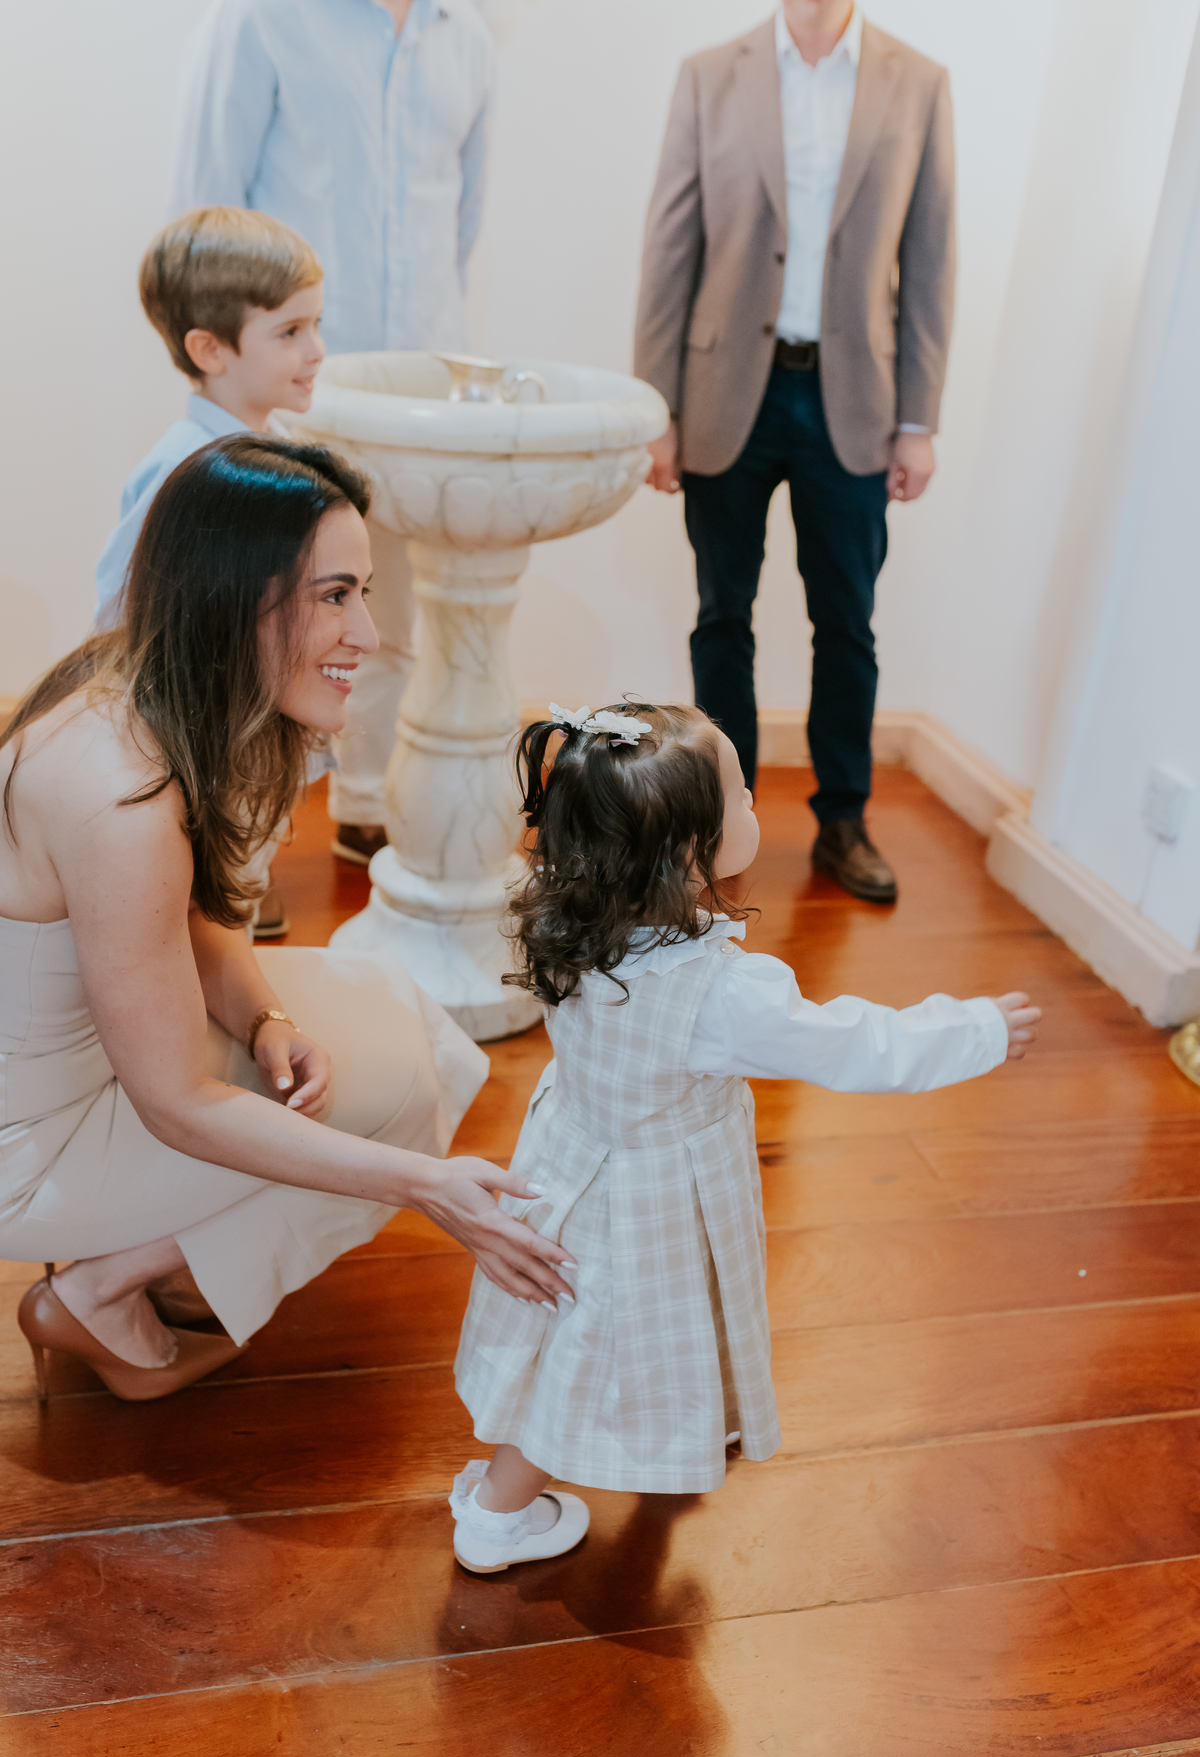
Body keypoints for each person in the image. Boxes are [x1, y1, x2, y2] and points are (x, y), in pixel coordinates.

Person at [1, 437, 575, 1405]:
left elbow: (194, 918)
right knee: (402, 1105)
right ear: (236, 592)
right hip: (26, 1148)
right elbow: (176, 1102)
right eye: (336, 595)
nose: (370, 633)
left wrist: (268, 1022)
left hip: (96, 1058)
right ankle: (101, 1287)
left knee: (405, 1018)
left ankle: (133, 1269)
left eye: (364, 592)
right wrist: (422, 1188)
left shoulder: (151, 690)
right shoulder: (117, 795)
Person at [445, 702, 1040, 1572]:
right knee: (594, 1343)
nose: (756, 796)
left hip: (572, 1162)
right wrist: (977, 1028)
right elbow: (858, 1046)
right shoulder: (722, 993)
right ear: (690, 852)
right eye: (741, 793)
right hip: (652, 1197)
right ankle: (497, 1512)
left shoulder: (564, 914)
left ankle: (670, 1430)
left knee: (587, 1326)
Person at [634, 0, 955, 905]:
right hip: (726, 389)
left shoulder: (918, 82)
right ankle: (717, 825)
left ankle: (842, 819)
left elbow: (931, 260)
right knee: (721, 613)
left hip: (855, 399)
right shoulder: (710, 73)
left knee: (846, 622)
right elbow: (669, 245)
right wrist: (658, 408)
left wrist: (919, 420)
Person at [169, 0, 497, 869]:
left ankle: (361, 802)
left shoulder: (466, 35)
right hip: (283, 383)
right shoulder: (260, 19)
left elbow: (459, 216)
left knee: (380, 611)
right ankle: (242, 851)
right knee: (257, 617)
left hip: (415, 389)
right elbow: (203, 217)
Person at [95, 204, 327, 937]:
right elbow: (119, 603)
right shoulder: (183, 467)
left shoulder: (267, 446)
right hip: (190, 720)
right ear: (209, 348)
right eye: (291, 332)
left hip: (240, 713)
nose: (317, 350)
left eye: (317, 325)